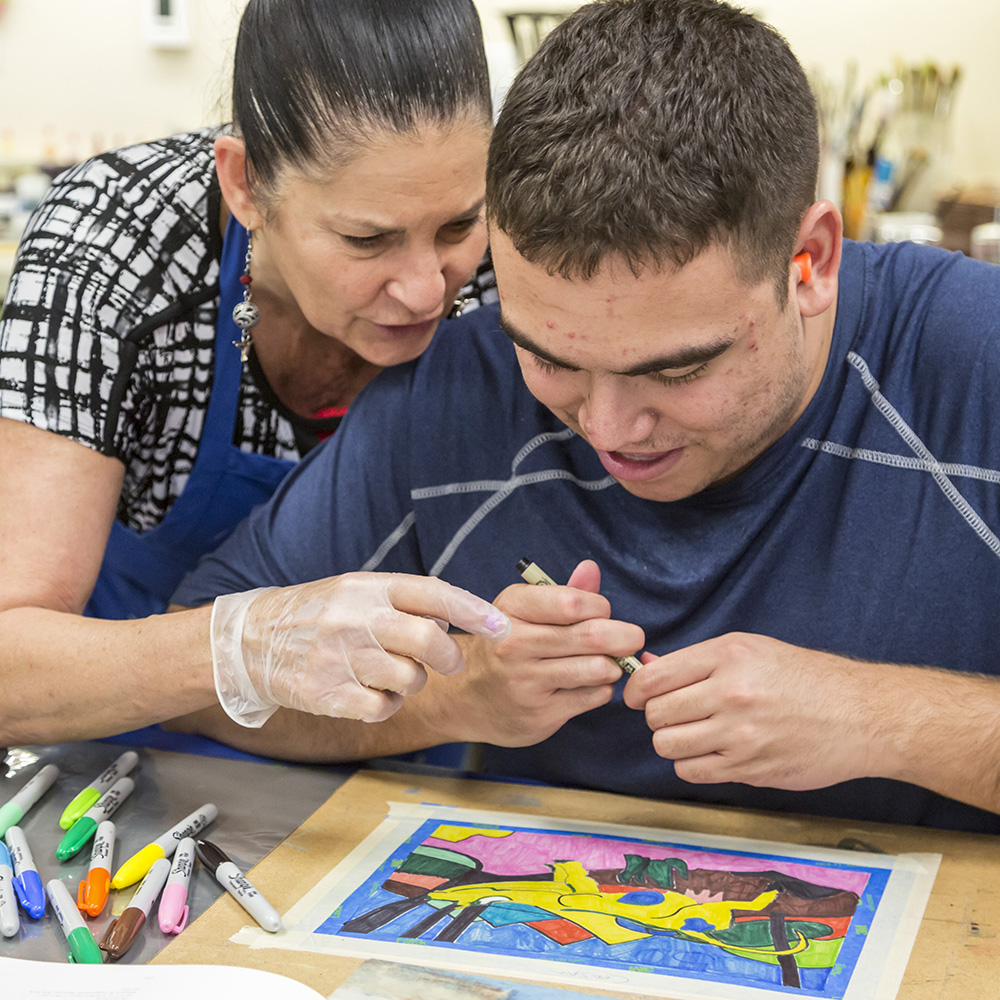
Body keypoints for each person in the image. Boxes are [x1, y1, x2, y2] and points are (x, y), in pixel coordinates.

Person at [176, 0, 999, 834]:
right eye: (554, 359)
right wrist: (458, 702)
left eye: (677, 369)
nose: (609, 429)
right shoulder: (456, 390)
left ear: (810, 263)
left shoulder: (974, 360)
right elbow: (204, 679)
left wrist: (886, 719)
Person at [0, 0, 513, 750]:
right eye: (367, 239)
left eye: (459, 226)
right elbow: (12, 669)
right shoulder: (116, 246)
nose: (429, 289)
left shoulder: (514, 255)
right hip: (118, 748)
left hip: (395, 745)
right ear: (245, 184)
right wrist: (241, 643)